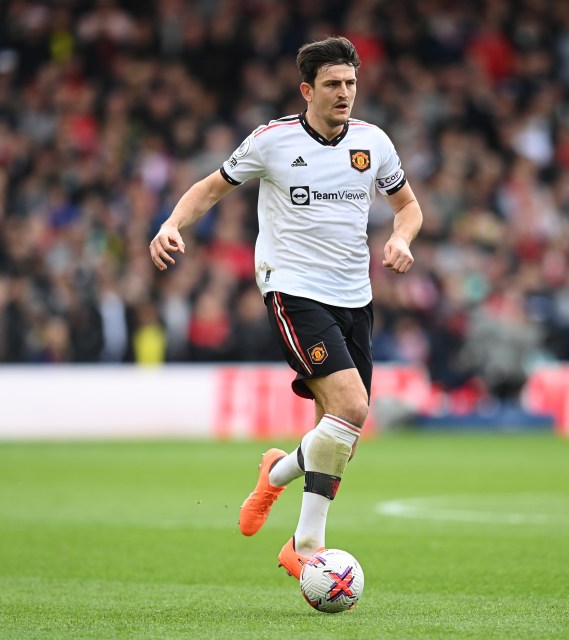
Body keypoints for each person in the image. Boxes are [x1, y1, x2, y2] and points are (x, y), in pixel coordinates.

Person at [149, 36, 423, 579]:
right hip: (292, 289)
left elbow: (408, 206)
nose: (344, 93)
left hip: (355, 297)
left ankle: (277, 477)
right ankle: (307, 545)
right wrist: (169, 224)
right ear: (307, 90)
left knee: (338, 435)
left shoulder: (374, 143)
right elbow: (209, 189)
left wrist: (402, 238)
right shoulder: (271, 142)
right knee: (352, 408)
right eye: (332, 85)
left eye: (350, 83)